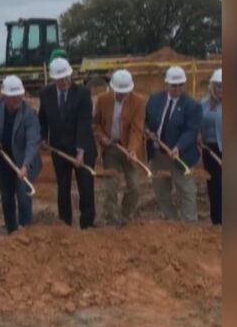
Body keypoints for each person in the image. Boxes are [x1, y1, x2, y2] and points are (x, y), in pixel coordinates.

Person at [39, 57, 97, 229]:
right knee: (63, 186)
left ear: (70, 76)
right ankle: (65, 225)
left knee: (85, 186)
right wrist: (43, 136)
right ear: (53, 79)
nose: (63, 82)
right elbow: (42, 118)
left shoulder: (82, 94)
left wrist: (80, 151)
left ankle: (87, 223)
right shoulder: (46, 94)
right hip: (59, 149)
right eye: (59, 79)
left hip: (83, 146)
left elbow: (84, 123)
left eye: (65, 78)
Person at [0, 75, 41, 233]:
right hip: (3, 160)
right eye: (13, 97)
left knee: (23, 198)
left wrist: (25, 166)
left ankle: (25, 231)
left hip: (23, 162)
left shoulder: (29, 113)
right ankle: (12, 231)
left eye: (19, 96)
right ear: (4, 96)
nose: (17, 100)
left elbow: (32, 141)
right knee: (7, 199)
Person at [144, 66, 202, 222]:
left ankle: (189, 223)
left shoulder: (192, 106)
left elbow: (190, 131)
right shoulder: (154, 100)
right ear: (166, 84)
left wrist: (178, 147)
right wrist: (148, 131)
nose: (177, 88)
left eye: (180, 84)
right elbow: (146, 121)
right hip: (158, 155)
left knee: (187, 190)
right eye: (174, 85)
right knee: (161, 190)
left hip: (180, 156)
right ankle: (171, 220)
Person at [93, 69, 145, 225]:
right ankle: (110, 218)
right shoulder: (103, 100)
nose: (123, 95)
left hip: (129, 148)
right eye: (119, 92)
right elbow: (95, 124)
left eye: (126, 92)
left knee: (134, 187)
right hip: (110, 148)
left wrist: (132, 150)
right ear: (113, 88)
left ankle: (125, 216)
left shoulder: (138, 102)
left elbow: (137, 129)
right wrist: (102, 137)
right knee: (111, 187)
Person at [200, 68, 223, 225]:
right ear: (212, 87)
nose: (221, 89)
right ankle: (217, 221)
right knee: (214, 186)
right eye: (218, 86)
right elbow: (196, 124)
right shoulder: (203, 104)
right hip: (209, 151)